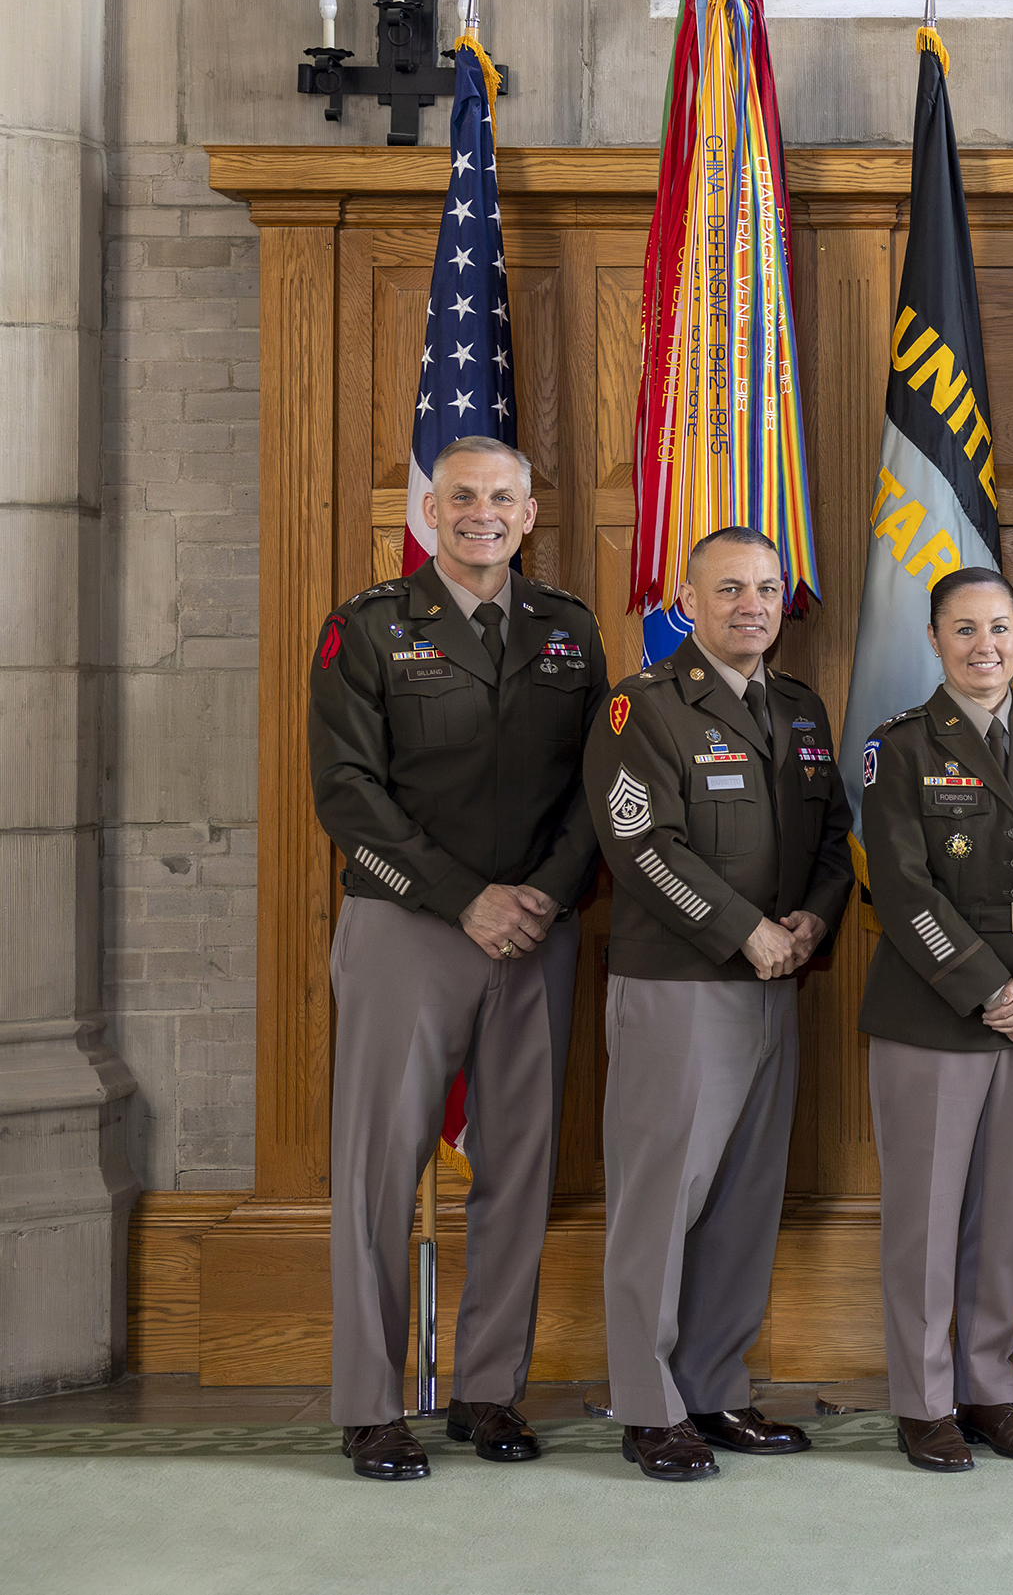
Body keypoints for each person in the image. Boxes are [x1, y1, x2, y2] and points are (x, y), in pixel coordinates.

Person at [308, 436, 607, 1481]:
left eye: (503, 497)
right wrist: (463, 897)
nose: (484, 512)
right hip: (408, 924)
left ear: (530, 513)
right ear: (430, 511)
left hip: (535, 928)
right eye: (463, 495)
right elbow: (347, 792)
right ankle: (370, 1405)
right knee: (378, 1169)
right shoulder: (367, 625)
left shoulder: (569, 628)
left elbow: (598, 786)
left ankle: (488, 1390)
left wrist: (547, 893)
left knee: (518, 1168)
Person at [585, 526, 855, 1482]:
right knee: (661, 1202)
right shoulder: (645, 707)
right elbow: (641, 845)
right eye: (730, 588)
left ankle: (713, 1387)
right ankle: (647, 1405)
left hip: (776, 985)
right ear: (688, 602)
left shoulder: (801, 709)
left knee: (744, 1197)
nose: (753, 605)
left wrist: (814, 919)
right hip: (681, 985)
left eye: (768, 588)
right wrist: (745, 929)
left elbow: (833, 840)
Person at [853, 567, 1013, 1473]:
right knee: (924, 1219)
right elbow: (899, 884)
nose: (985, 646)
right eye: (963, 629)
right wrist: (985, 988)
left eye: (999, 627)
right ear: (933, 640)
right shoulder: (899, 745)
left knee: (1003, 1215)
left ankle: (990, 1391)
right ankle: (925, 1403)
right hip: (935, 1010)